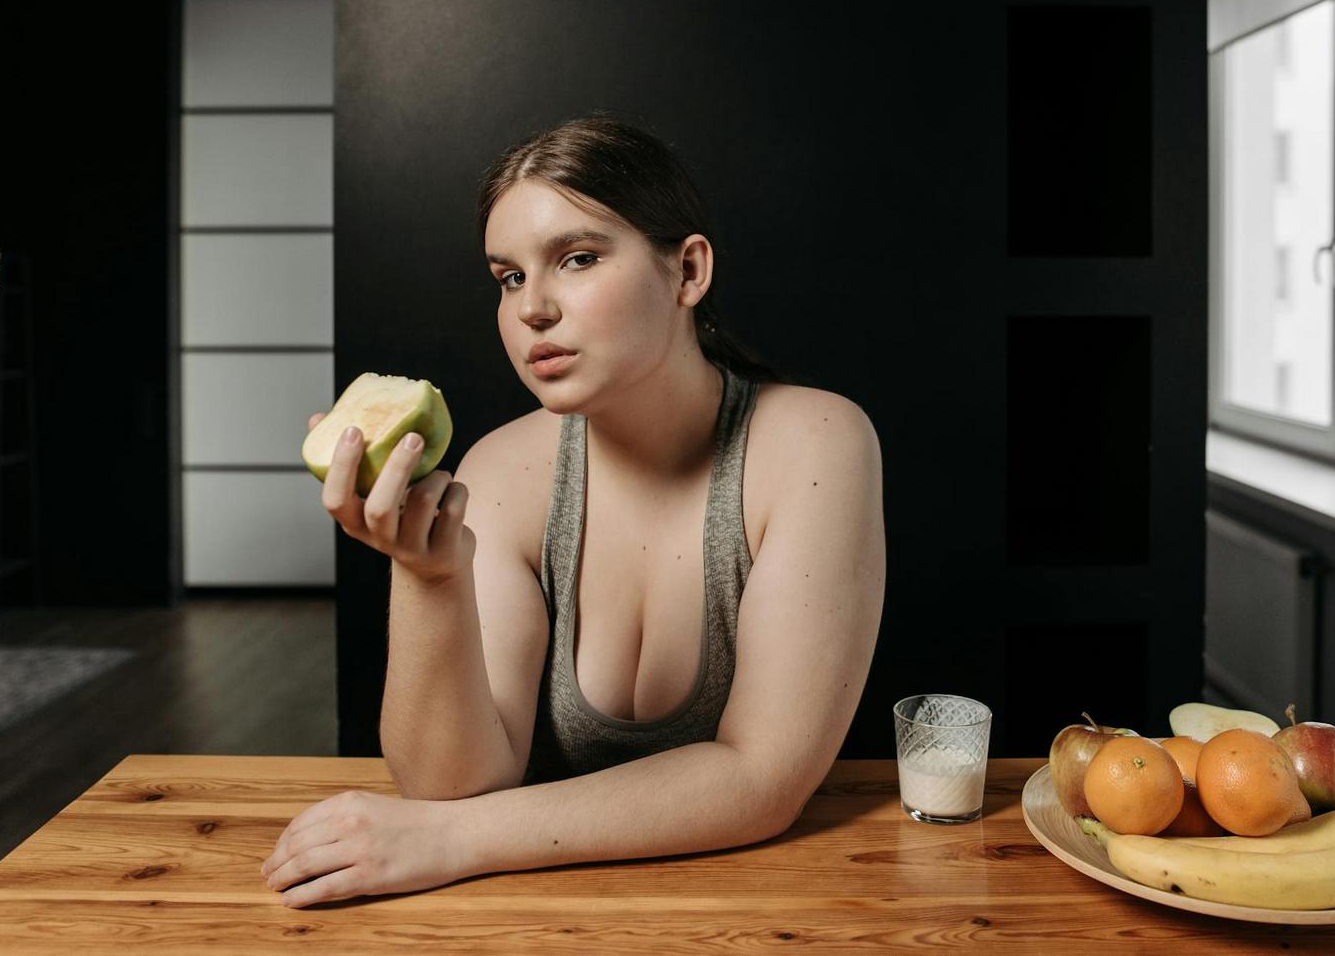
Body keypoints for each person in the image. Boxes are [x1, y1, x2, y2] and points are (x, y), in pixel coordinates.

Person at [262, 115, 886, 908]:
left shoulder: (816, 444)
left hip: (761, 912)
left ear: (688, 271)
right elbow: (449, 788)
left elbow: (762, 780)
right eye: (509, 277)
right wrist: (428, 577)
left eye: (578, 259)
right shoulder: (502, 469)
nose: (532, 310)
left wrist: (457, 841)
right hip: (536, 918)